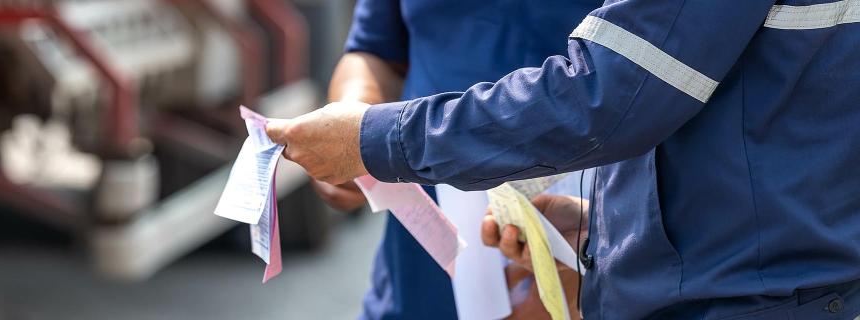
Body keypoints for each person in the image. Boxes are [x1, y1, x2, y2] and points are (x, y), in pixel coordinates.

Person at [269, 0, 860, 319]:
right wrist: (607, 235)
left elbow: (612, 96)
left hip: (743, 296)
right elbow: (373, 46)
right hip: (501, 261)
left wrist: (375, 140)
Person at [313, 0, 601, 319]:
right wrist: (353, 126)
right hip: (421, 261)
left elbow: (634, 79)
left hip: (582, 238)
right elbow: (374, 49)